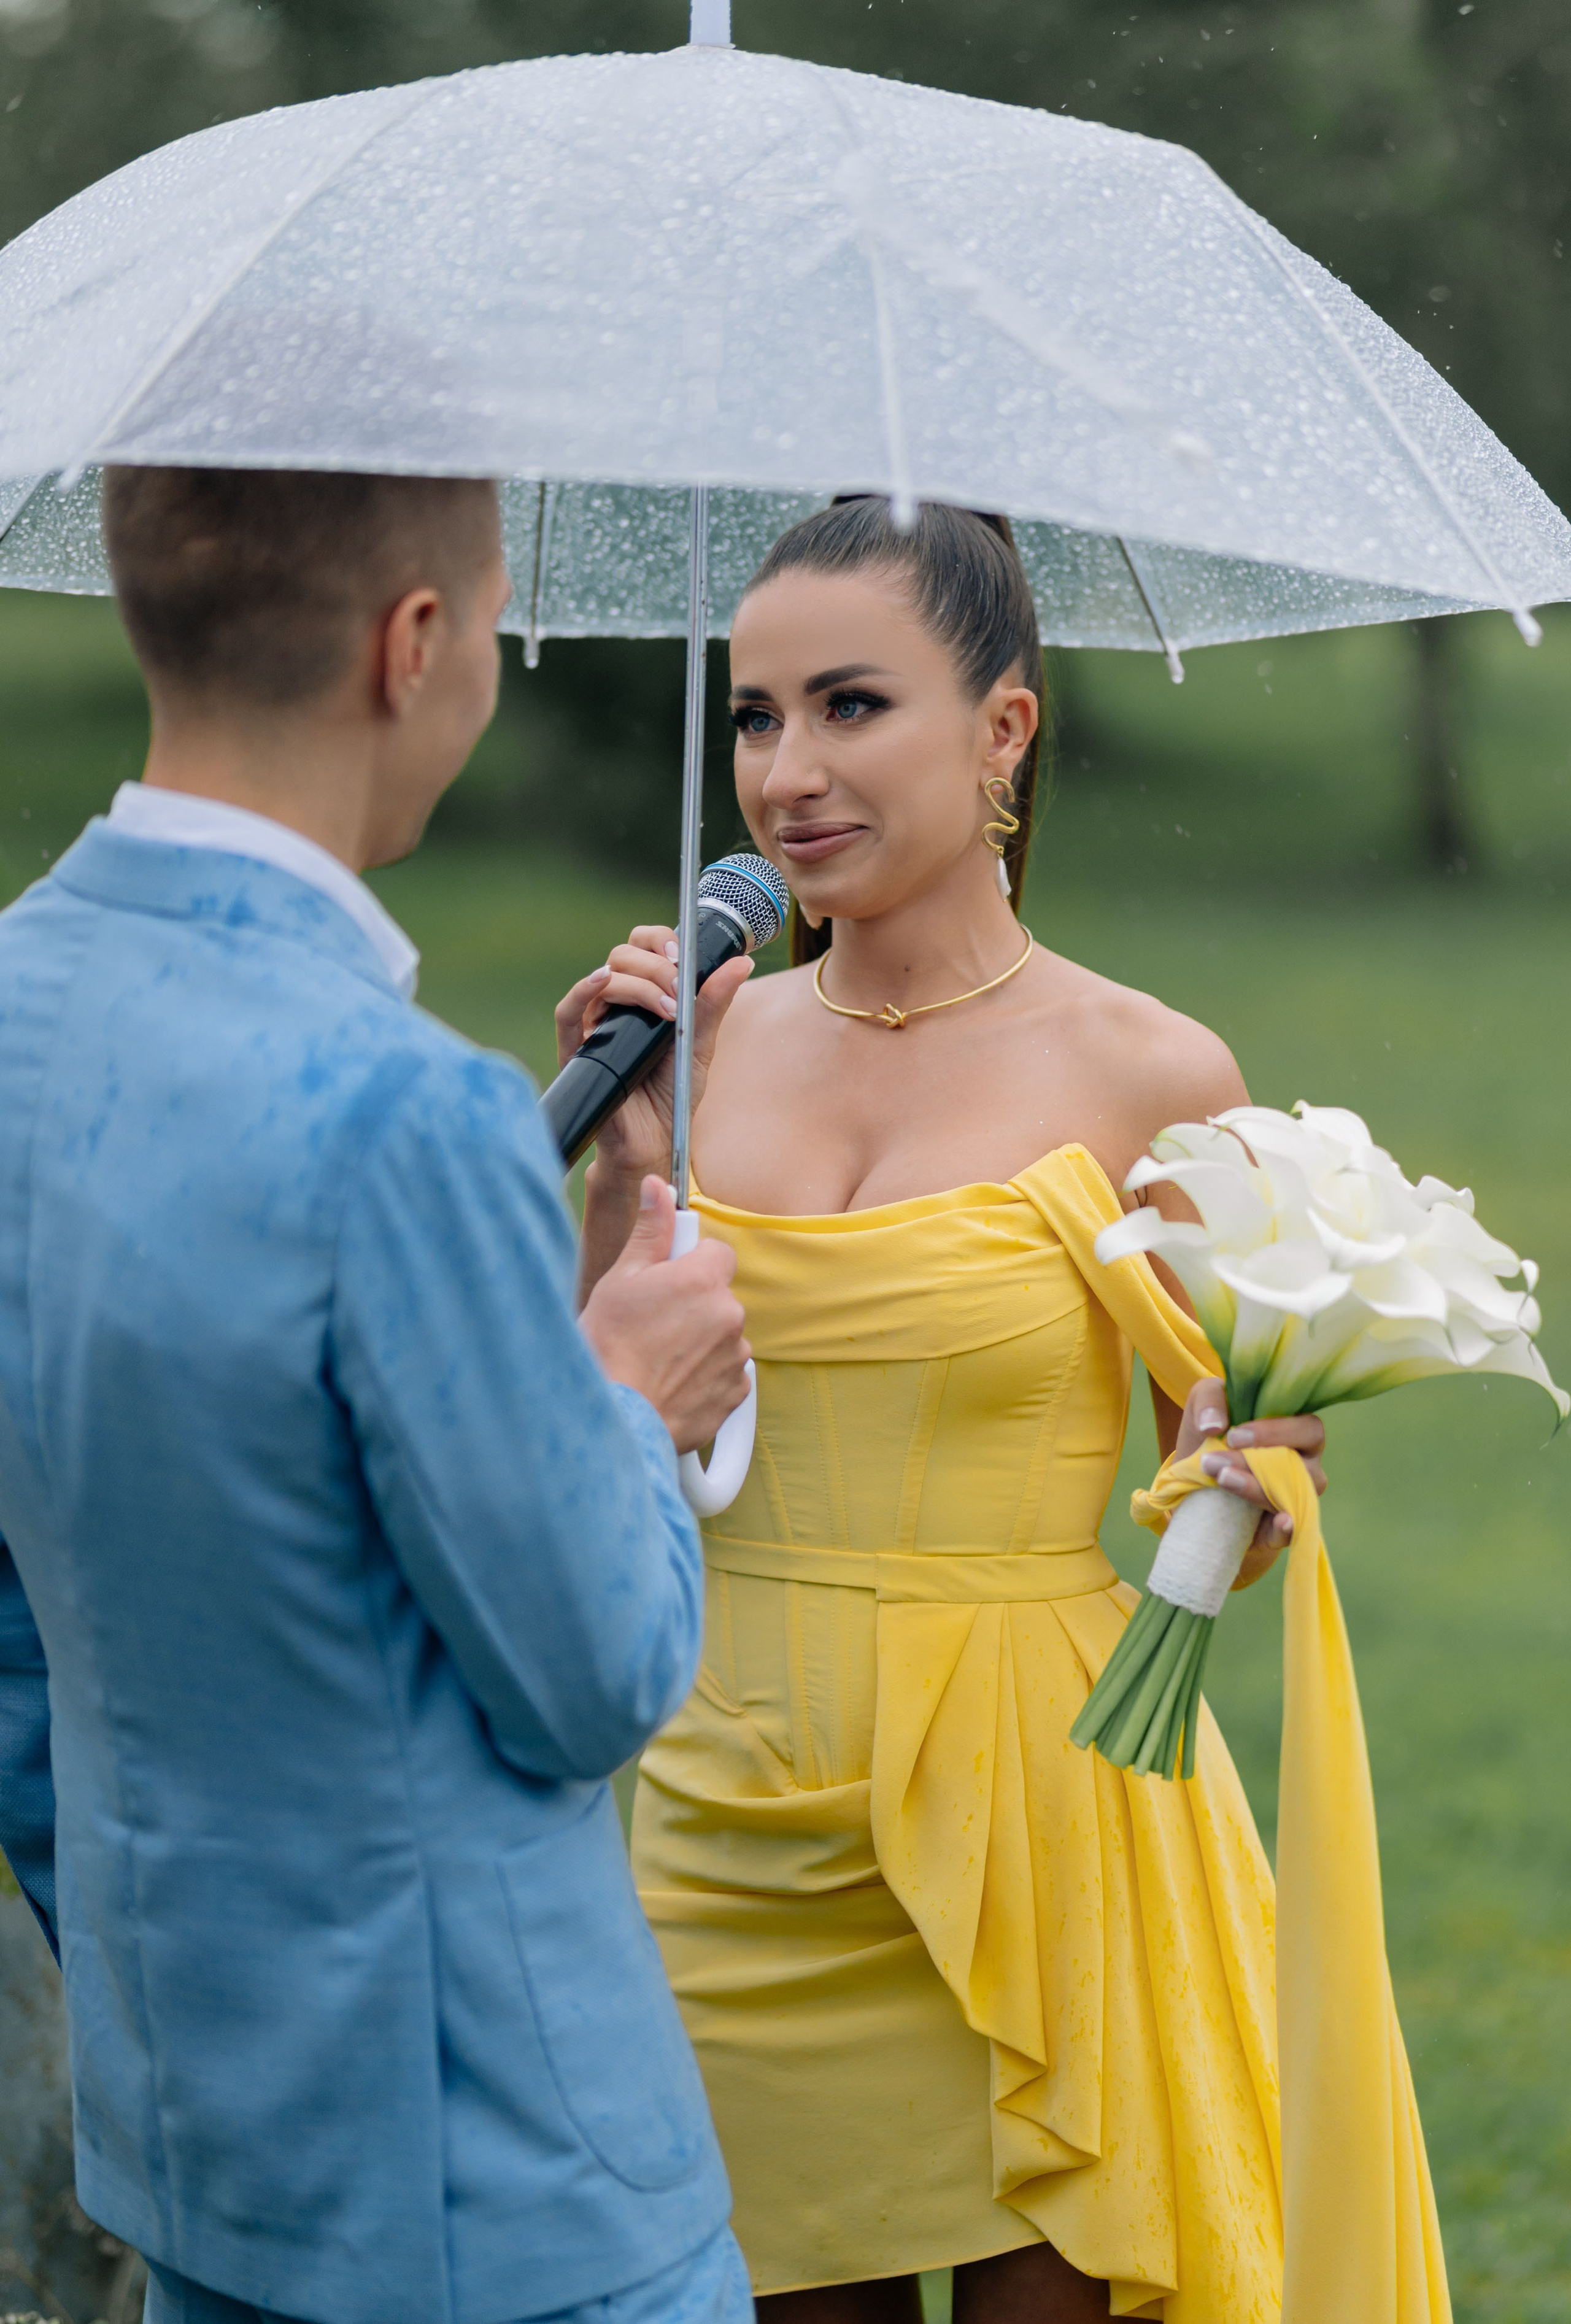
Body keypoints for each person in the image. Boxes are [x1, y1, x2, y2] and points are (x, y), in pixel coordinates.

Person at [554, 499, 1331, 2324]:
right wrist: (625, 1179)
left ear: (1002, 731)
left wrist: (1251, 1476)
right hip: (726, 1811)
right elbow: (600, 1442)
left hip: (1035, 1822)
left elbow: (1222, 1465)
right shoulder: (706, 1036)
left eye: (849, 706)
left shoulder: (1154, 1070)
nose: (787, 773)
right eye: (754, 718)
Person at [0, 466, 758, 2324]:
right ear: (412, 644)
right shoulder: (408, 1112)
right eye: (490, 621)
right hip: (503, 2194)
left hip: (203, 2154)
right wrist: (629, 1388)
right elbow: (591, 1670)